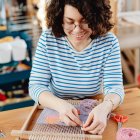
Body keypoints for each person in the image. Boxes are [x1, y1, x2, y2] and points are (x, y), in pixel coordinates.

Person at [29, 0, 125, 135]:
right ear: (60, 18)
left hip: (94, 107)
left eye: (85, 21)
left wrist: (105, 107)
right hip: (55, 108)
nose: (77, 29)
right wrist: (60, 105)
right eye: (69, 21)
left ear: (96, 17)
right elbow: (36, 86)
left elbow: (115, 88)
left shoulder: (109, 42)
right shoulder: (48, 40)